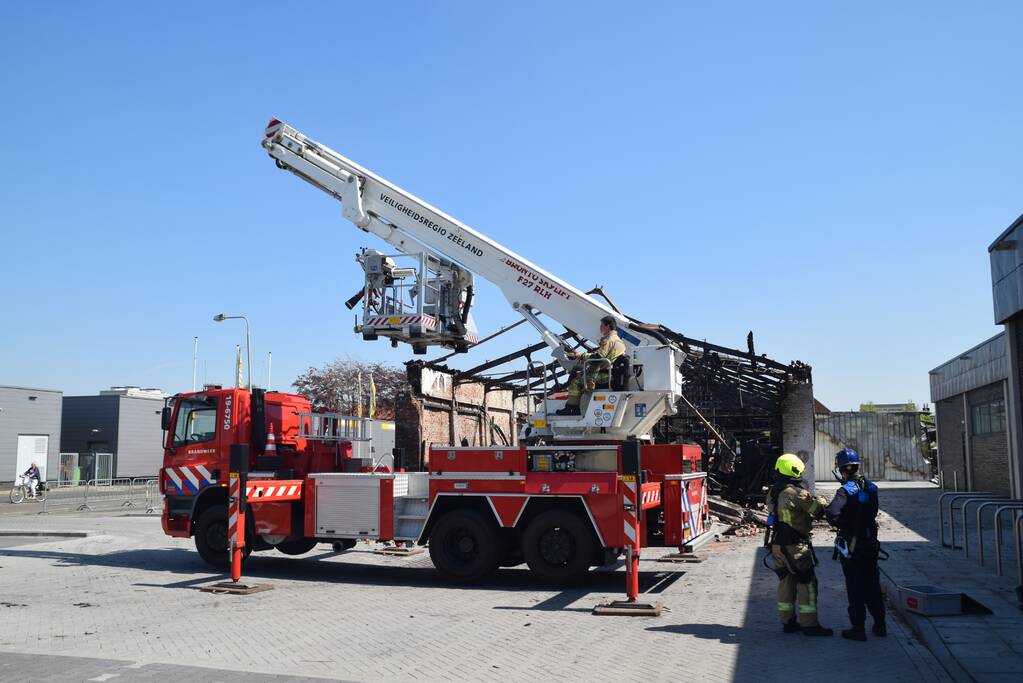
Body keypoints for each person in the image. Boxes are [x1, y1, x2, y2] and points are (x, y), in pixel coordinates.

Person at [766, 453, 833, 636]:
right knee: (807, 582)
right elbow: (817, 510)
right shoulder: (797, 493)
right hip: (795, 547)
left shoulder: (773, 492)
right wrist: (821, 500)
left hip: (777, 545)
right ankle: (809, 625)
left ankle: (788, 622)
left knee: (786, 582)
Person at [825, 448, 886, 641]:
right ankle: (880, 625)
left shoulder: (845, 490)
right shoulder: (871, 487)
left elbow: (832, 513)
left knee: (855, 587)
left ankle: (858, 629)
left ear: (841, 469)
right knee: (873, 585)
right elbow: (872, 512)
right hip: (870, 544)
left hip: (852, 547)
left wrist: (845, 524)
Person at [554, 315, 626, 416]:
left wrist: (581, 355)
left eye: (602, 325)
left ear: (608, 326)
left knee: (575, 381)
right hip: (611, 374)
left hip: (604, 375)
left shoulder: (608, 340)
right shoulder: (619, 341)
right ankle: (575, 408)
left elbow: (598, 357)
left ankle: (571, 409)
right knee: (578, 375)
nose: (600, 328)